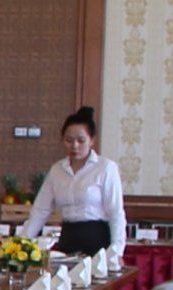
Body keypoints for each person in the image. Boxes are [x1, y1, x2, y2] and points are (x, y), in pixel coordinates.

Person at [19, 107, 127, 255]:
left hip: (97, 238)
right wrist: (22, 243)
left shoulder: (106, 167)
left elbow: (116, 213)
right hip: (68, 237)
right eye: (69, 140)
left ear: (92, 140)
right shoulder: (57, 170)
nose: (74, 146)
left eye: (81, 140)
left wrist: (117, 251)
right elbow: (40, 211)